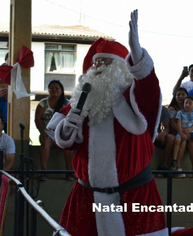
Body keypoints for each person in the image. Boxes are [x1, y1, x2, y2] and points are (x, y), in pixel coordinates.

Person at [47, 10, 167, 235]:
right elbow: (64, 142)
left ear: (122, 69)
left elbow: (149, 89)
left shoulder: (135, 98)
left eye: (107, 63)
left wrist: (138, 55)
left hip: (133, 197)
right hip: (86, 197)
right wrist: (66, 130)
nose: (99, 68)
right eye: (96, 64)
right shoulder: (80, 101)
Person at [34, 79, 74, 181]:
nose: (54, 90)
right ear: (48, 91)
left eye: (57, 88)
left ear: (61, 90)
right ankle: (44, 173)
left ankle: (69, 173)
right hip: (48, 133)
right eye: (52, 88)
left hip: (62, 133)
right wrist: (42, 132)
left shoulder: (67, 103)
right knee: (45, 141)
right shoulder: (43, 103)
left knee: (69, 144)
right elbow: (37, 119)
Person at [170, 96, 193, 178]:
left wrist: (191, 131)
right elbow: (175, 123)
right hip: (181, 133)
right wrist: (183, 133)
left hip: (192, 134)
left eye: (190, 103)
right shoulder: (178, 112)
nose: (187, 105)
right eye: (186, 103)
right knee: (179, 141)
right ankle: (176, 164)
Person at [154, 105, 174, 173]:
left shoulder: (163, 109)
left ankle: (164, 165)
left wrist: (163, 134)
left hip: (157, 135)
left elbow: (167, 127)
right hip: (145, 135)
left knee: (170, 138)